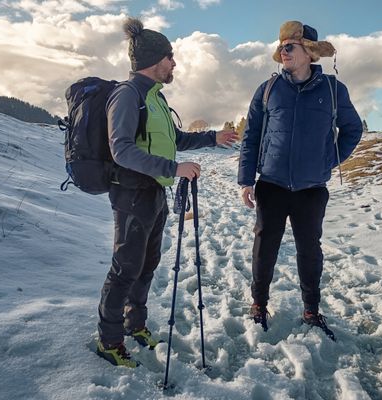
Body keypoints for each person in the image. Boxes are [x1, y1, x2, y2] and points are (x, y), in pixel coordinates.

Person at [96, 17, 238, 367]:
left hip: (154, 194)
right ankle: (109, 341)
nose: (174, 63)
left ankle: (135, 325)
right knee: (125, 268)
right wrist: (174, 169)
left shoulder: (155, 98)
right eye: (170, 56)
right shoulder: (127, 96)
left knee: (147, 265)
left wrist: (212, 137)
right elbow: (122, 150)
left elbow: (174, 140)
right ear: (153, 59)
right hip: (131, 194)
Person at [237, 21, 363, 338]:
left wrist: (328, 161)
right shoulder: (267, 90)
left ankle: (311, 311)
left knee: (310, 251)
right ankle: (258, 305)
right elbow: (251, 137)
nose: (283, 51)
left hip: (311, 190)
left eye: (289, 46)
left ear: (308, 51)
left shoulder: (334, 90)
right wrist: (245, 179)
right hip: (272, 186)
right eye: (281, 46)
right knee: (264, 248)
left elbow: (352, 130)